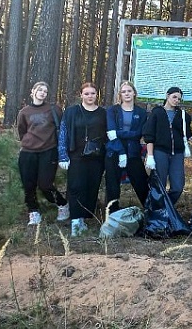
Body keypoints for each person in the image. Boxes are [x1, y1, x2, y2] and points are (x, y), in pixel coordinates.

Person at [58, 82, 107, 236]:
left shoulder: (103, 113)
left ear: (96, 95)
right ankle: (75, 221)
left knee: (92, 188)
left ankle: (85, 218)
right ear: (81, 95)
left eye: (92, 93)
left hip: (97, 157)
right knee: (75, 187)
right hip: (76, 155)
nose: (90, 96)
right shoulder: (71, 112)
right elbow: (63, 134)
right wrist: (63, 155)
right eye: (86, 93)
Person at [16, 81, 69, 225]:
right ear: (33, 91)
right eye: (40, 90)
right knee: (28, 184)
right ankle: (33, 212)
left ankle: (63, 205)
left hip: (48, 151)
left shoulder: (54, 109)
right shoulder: (24, 112)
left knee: (45, 184)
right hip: (28, 152)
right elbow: (21, 131)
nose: (42, 93)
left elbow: (63, 129)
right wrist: (29, 142)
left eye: (45, 91)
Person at [142, 87, 192, 205]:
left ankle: (167, 208)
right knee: (159, 185)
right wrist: (150, 156)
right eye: (174, 97)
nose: (176, 100)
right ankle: (157, 212)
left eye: (179, 99)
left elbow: (188, 135)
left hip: (177, 154)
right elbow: (149, 135)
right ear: (167, 96)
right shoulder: (157, 112)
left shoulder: (183, 115)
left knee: (178, 186)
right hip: (160, 152)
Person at [104, 81, 149, 214]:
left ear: (134, 93)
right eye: (123, 92)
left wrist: (118, 133)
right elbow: (110, 132)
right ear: (120, 95)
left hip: (133, 153)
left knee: (141, 182)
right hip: (114, 152)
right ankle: (112, 214)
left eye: (129, 91)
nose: (127, 94)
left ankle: (151, 212)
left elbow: (138, 134)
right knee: (112, 185)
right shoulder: (113, 110)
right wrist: (121, 151)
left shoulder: (141, 112)